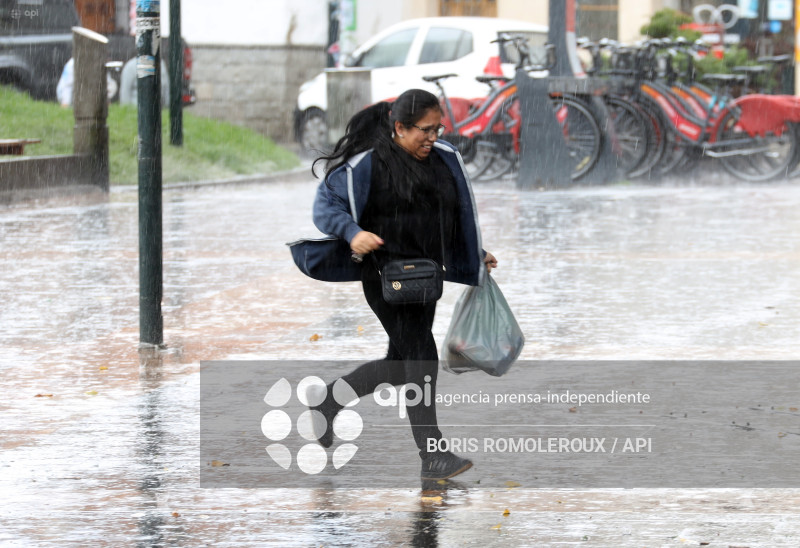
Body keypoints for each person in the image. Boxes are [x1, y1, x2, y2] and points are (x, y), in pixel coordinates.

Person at [309, 88, 497, 481]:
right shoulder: (367, 165)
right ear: (399, 127)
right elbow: (326, 206)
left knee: (401, 368)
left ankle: (328, 400)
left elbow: (455, 214)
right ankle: (433, 453)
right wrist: (352, 231)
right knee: (423, 357)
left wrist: (474, 253)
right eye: (424, 130)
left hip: (426, 279)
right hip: (384, 276)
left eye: (438, 128)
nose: (433, 137)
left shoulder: (444, 159)